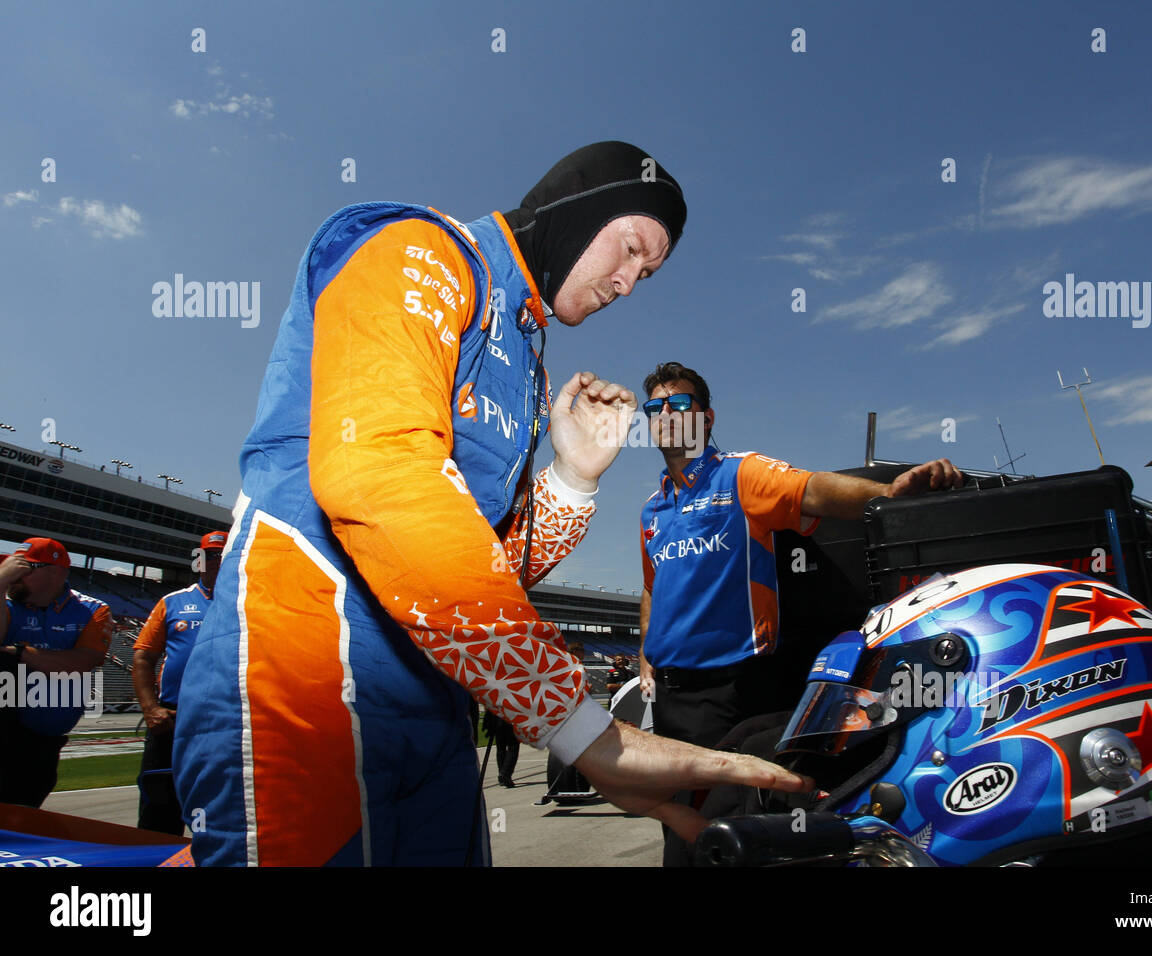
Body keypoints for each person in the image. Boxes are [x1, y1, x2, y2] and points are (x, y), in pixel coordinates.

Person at [173, 142, 811, 866]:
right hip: (302, 689)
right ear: (578, 206)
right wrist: (575, 724)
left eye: (648, 273)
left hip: (437, 701)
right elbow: (378, 476)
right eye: (631, 248)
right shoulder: (420, 246)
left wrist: (572, 478)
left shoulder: (528, 361)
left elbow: (484, 563)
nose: (630, 283)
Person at [635, 362, 963, 864]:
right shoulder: (652, 509)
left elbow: (813, 489)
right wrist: (644, 657)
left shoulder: (741, 474)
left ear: (707, 417)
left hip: (735, 692)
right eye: (655, 408)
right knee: (680, 830)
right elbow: (652, 589)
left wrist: (888, 493)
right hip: (672, 699)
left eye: (679, 405)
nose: (665, 415)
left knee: (735, 831)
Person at [0, 537, 113, 807]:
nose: (15, 575)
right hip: (6, 731)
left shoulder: (92, 610)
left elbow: (82, 663)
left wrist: (20, 653)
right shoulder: (6, 601)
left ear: (55, 572)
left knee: (25, 811)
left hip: (44, 741)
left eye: (24, 568)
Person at [132, 530, 227, 835]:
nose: (216, 562)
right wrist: (150, 710)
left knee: (221, 807)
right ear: (198, 560)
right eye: (209, 556)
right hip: (171, 720)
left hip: (225, 719)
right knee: (158, 809)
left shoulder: (252, 603)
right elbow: (143, 658)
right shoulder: (172, 602)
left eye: (222, 555)